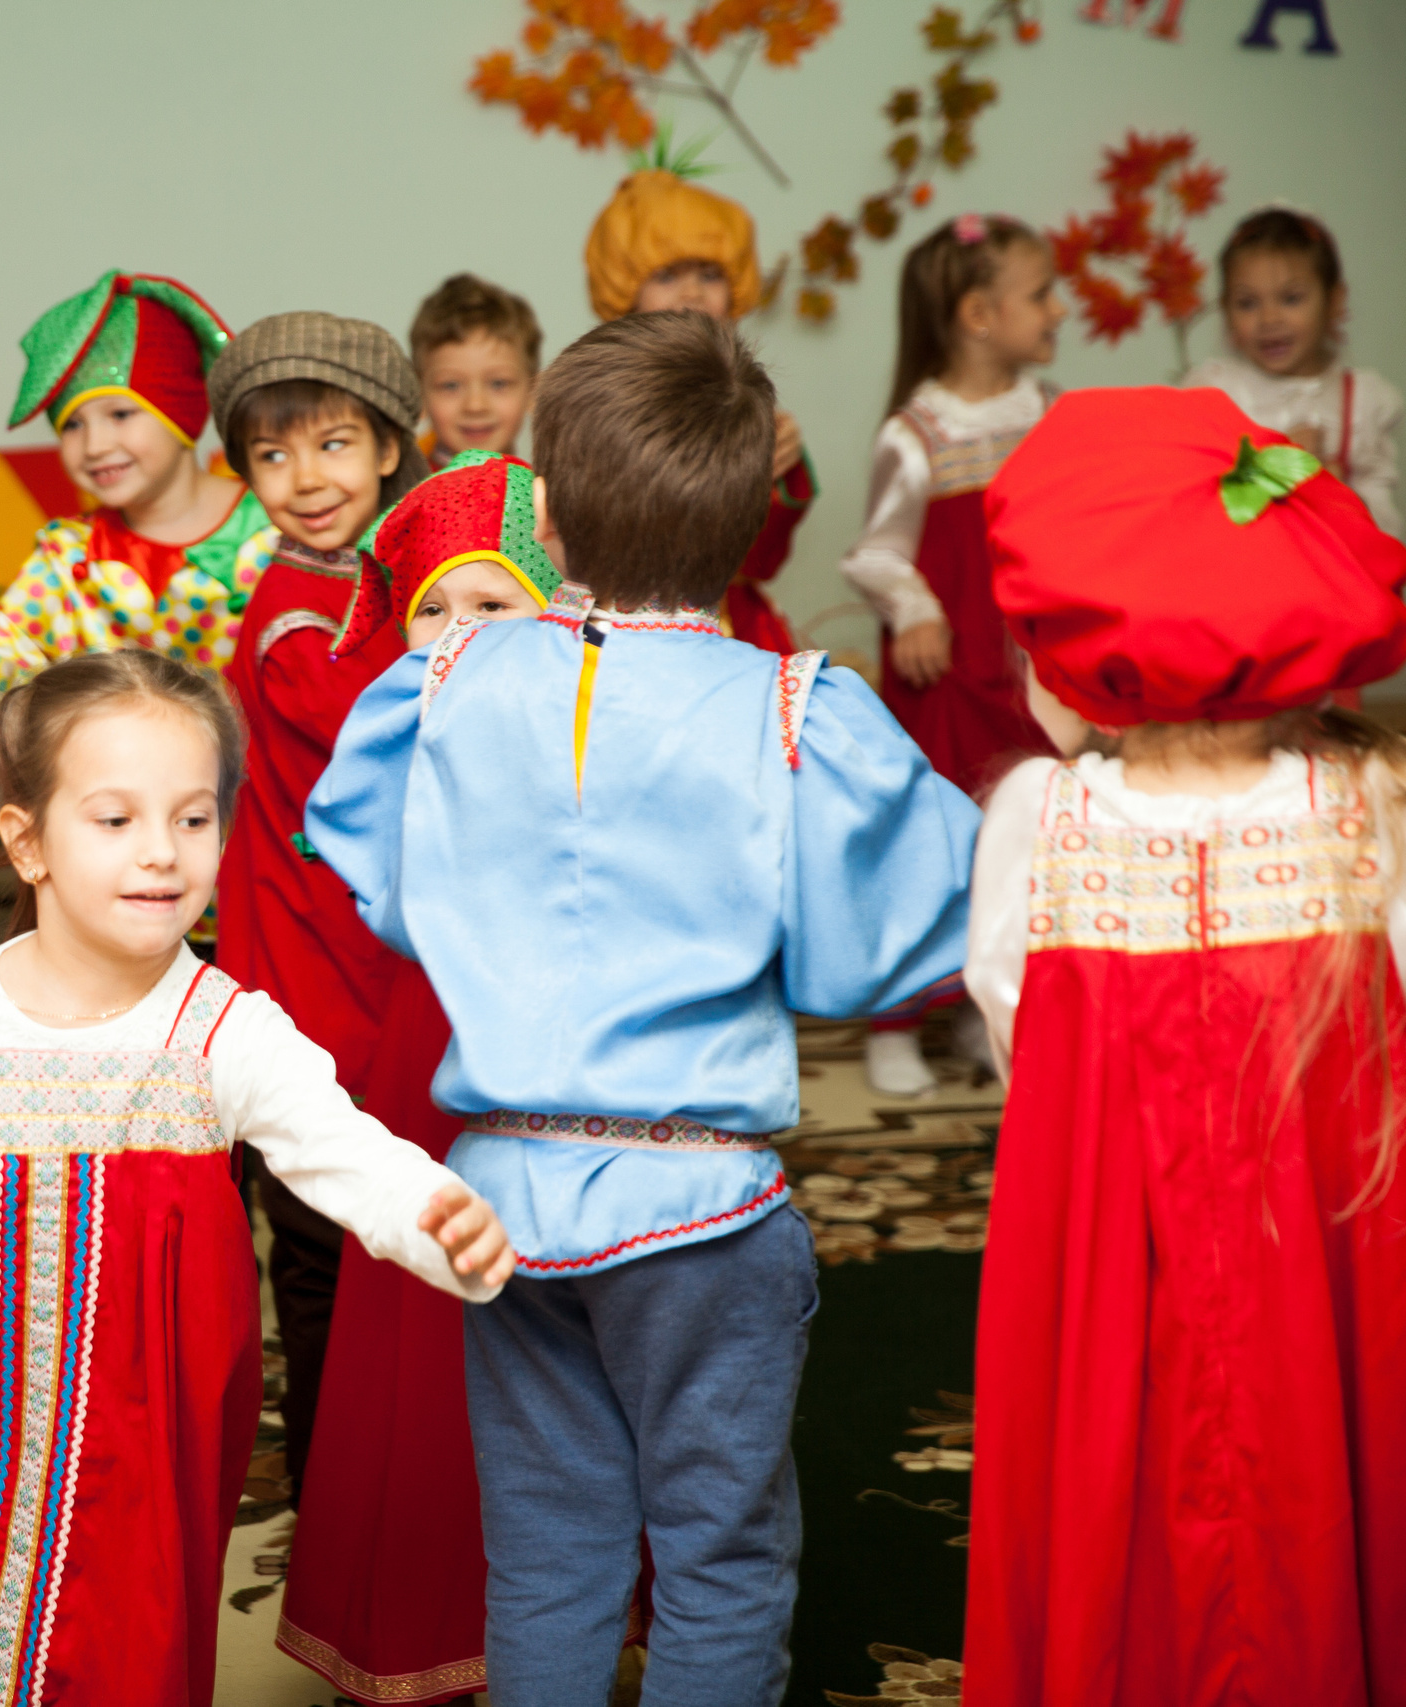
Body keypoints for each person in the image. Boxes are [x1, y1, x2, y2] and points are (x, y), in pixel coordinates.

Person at [308, 311, 977, 1707]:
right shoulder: (793, 705)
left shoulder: (439, 675)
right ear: (749, 521)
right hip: (703, 1206)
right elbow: (894, 944)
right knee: (721, 1551)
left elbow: (377, 878)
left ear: (544, 506)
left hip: (499, 1199)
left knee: (547, 1551)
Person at [0, 648, 515, 1707]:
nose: (162, 853)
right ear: (27, 841)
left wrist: (442, 1219)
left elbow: (349, 1155)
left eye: (193, 819)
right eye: (115, 820)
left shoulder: (223, 1033)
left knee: (125, 1656)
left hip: (144, 1453)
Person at [963, 385, 1406, 1705]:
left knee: (1119, 1480)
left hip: (1101, 1265)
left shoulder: (1042, 817)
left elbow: (1013, 1029)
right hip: (1330, 1265)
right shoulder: (1365, 804)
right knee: (1318, 1488)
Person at [278, 450, 568, 1707]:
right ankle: (429, 1622)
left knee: (563, 1323)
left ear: (553, 615)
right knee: (430, 1319)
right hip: (433, 1053)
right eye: (429, 612)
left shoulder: (590, 725)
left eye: (489, 605)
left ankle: (578, 1605)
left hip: (557, 1054)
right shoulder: (391, 737)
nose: (453, 637)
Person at [206, 311, 427, 1510]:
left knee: (370, 1211)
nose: (306, 481)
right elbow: (383, 739)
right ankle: (334, 1460)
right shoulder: (299, 615)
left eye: (334, 444)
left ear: (392, 446)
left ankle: (381, 1433)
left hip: (358, 952)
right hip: (304, 969)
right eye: (273, 458)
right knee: (320, 1231)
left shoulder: (382, 578)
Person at [0, 269, 274, 773]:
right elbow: (1, 650)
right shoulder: (71, 560)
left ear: (181, 414)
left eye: (121, 415)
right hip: (126, 817)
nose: (95, 445)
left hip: (272, 810)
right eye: (72, 425)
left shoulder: (280, 532)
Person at [841, 213, 1066, 1096]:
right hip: (947, 678)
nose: (1059, 310)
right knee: (929, 842)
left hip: (1033, 674)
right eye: (1041, 292)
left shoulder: (1047, 412)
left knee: (1025, 838)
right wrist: (916, 608)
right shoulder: (919, 432)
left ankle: (988, 1010)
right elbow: (877, 549)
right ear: (979, 314)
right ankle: (895, 1015)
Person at [582, 165, 815, 651]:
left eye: (709, 275)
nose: (692, 293)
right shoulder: (597, 401)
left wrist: (774, 469)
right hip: (627, 625)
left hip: (734, 628)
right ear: (625, 292)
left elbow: (760, 558)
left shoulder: (745, 400)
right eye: (667, 275)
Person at [1183, 206, 1400, 538]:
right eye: (1248, 303)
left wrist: (1337, 494)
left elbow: (1387, 536)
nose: (1270, 319)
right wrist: (1263, 469)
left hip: (1329, 585)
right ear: (1226, 310)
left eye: (1291, 298)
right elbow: (1189, 505)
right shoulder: (1214, 393)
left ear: (1334, 301)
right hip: (1245, 579)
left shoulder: (1361, 401)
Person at [410, 273, 543, 466]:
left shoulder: (543, 490)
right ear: (418, 394)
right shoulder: (407, 493)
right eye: (450, 385)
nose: (475, 406)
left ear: (534, 391)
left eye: (498, 383)